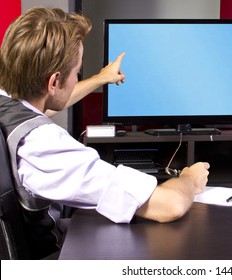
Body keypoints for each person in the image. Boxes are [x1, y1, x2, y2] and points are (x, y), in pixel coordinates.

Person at [0, 7, 209, 259]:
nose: (78, 78)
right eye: (77, 72)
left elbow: (41, 104)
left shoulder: (8, 106)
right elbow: (169, 206)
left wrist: (101, 78)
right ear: (54, 82)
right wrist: (189, 180)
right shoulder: (44, 145)